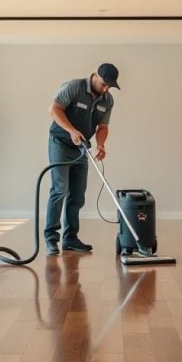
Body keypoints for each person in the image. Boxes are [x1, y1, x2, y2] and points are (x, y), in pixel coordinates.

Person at [43, 63, 119, 255]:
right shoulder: (74, 87)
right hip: (60, 142)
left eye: (109, 86)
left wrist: (101, 144)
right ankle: (51, 239)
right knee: (60, 189)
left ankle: (70, 238)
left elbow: (103, 127)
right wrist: (71, 130)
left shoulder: (107, 100)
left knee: (77, 194)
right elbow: (54, 109)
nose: (106, 88)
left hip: (81, 148)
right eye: (103, 84)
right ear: (95, 75)